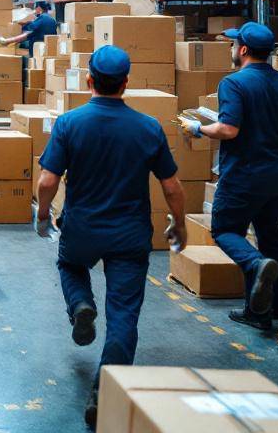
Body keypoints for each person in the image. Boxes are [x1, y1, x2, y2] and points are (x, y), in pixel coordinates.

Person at [33, 45, 187, 426]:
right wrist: (180, 224)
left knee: (70, 266)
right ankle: (105, 393)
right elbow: (172, 187)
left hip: (82, 229)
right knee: (124, 316)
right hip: (130, 235)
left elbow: (48, 181)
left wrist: (42, 214)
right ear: (126, 83)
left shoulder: (69, 123)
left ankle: (81, 305)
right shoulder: (148, 127)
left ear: (89, 81)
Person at [182, 21, 278, 332]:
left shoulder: (234, 83)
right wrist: (276, 135)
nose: (231, 48)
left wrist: (198, 128)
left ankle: (255, 266)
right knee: (271, 236)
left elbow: (228, 129)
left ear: (242, 49)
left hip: (243, 175)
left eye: (232, 44)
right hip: (276, 175)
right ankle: (271, 308)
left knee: (225, 230)